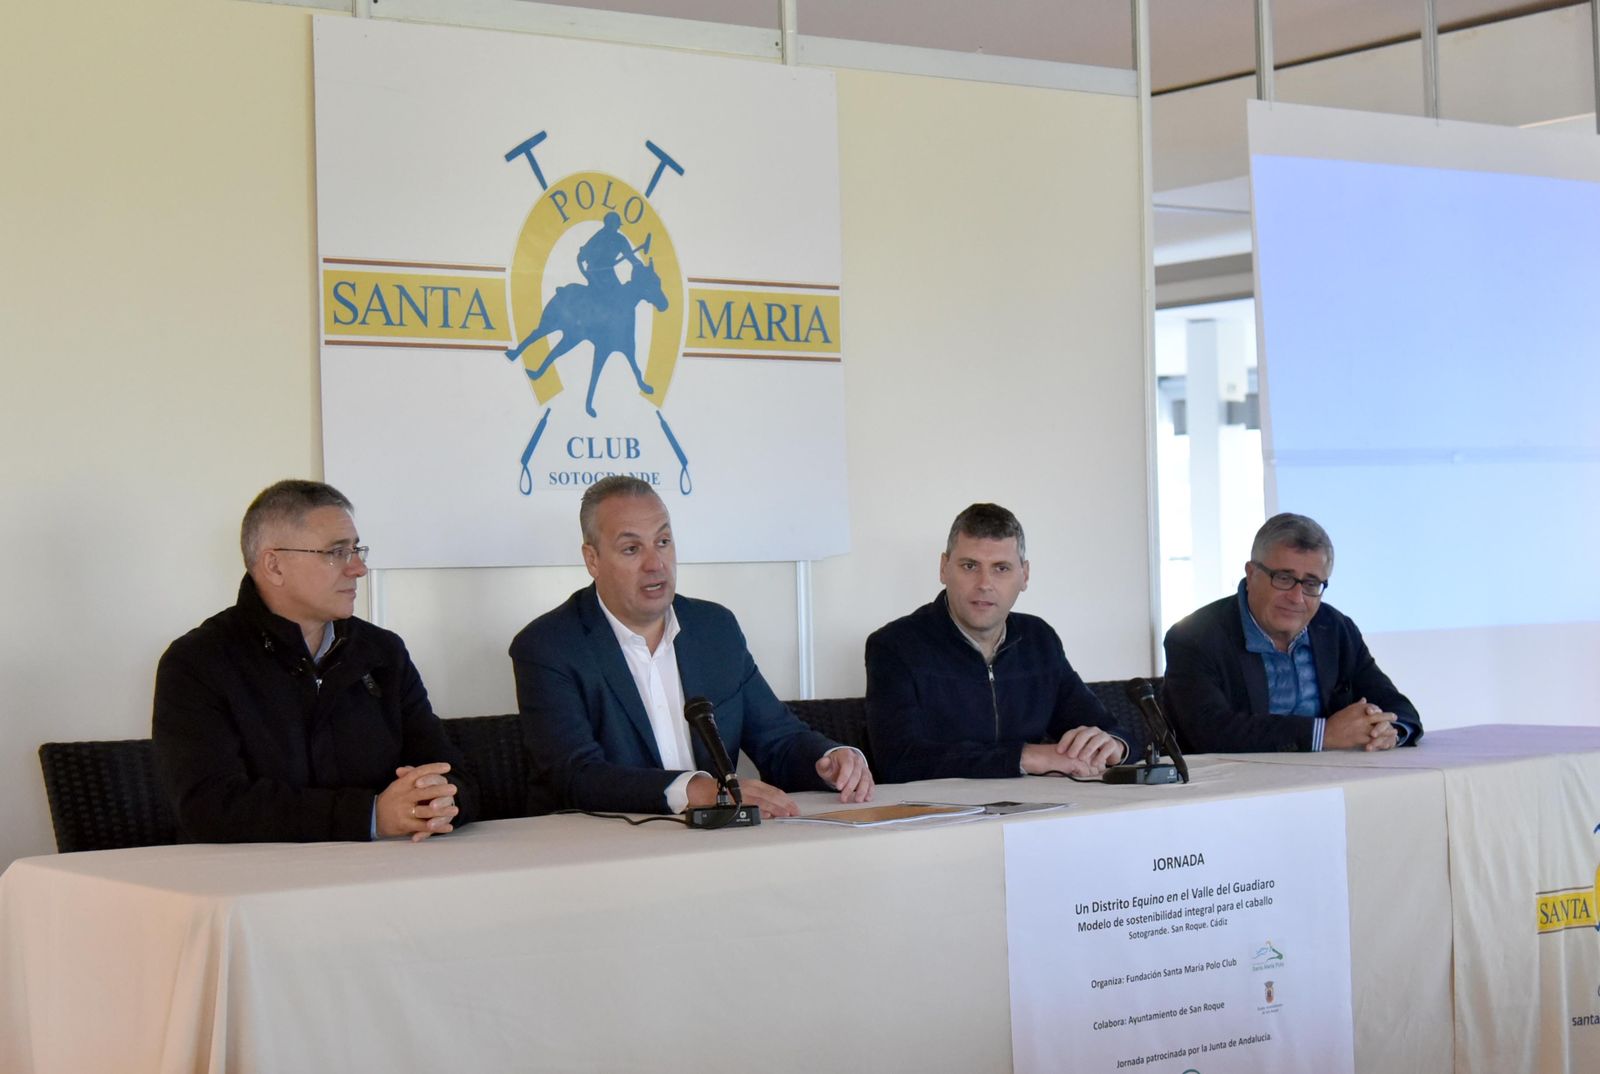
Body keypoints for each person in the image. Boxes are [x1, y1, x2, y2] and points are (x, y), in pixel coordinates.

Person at [510, 476, 874, 817]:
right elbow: (575, 775)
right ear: (592, 559)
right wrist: (691, 790)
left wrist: (829, 759)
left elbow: (777, 737)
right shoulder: (548, 647)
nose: (655, 564)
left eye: (663, 542)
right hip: (598, 852)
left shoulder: (714, 629)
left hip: (712, 842)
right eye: (632, 548)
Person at [153, 480, 475, 842]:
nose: (357, 569)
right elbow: (209, 807)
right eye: (336, 553)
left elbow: (452, 773)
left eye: (357, 550)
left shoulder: (383, 652)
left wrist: (438, 802)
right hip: (253, 885)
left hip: (385, 875)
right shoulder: (198, 662)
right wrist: (370, 815)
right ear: (274, 566)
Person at [864, 503, 1141, 783]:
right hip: (942, 817)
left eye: (1001, 568)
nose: (985, 583)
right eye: (970, 566)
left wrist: (1113, 746)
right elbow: (898, 761)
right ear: (944, 569)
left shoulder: (1038, 639)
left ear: (1025, 575)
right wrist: (1026, 757)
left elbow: (1114, 731)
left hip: (1035, 811)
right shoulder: (895, 647)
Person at [1162, 512, 1422, 753]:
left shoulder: (1335, 628)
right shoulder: (1194, 637)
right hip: (1235, 790)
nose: (1297, 598)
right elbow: (1209, 732)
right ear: (1251, 574)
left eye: (1311, 583)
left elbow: (1398, 708)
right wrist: (1322, 734)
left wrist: (1389, 731)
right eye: (1284, 578)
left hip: (1331, 781)